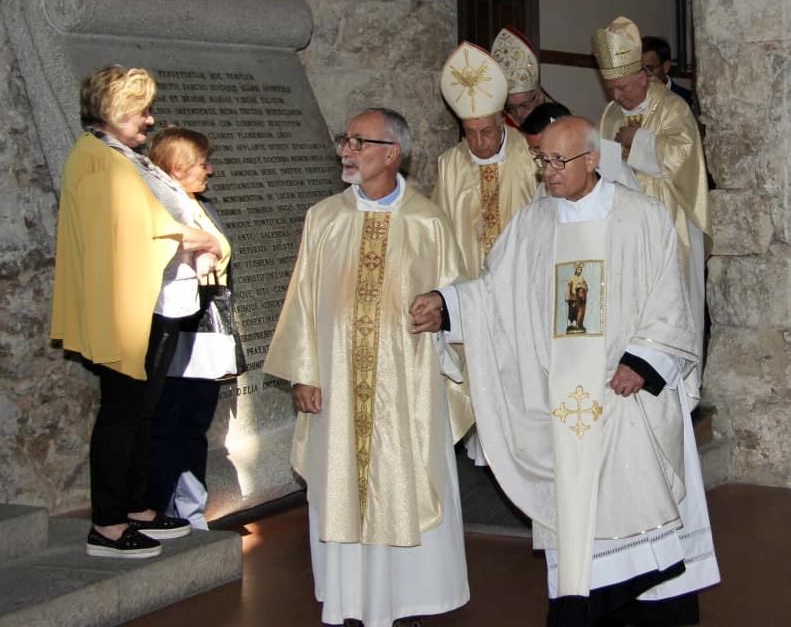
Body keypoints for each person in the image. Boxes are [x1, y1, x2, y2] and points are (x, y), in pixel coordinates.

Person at [410, 116, 719, 627]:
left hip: (626, 395)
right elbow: (494, 292)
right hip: (563, 399)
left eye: (559, 161)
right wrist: (445, 305)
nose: (548, 173)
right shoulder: (533, 224)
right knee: (574, 517)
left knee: (636, 504)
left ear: (593, 160)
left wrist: (643, 360)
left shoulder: (640, 217)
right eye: (542, 162)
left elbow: (670, 300)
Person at [263, 108, 470, 627]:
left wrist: (443, 309)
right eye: (345, 140)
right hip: (335, 386)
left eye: (359, 141)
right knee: (340, 484)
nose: (346, 150)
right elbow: (303, 300)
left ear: (391, 153)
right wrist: (304, 372)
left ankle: (410, 599)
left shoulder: (428, 220)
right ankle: (351, 599)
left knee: (405, 479)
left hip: (408, 390)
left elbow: (460, 297)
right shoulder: (324, 218)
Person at [50, 66, 222, 558]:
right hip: (125, 310)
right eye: (142, 110)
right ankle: (106, 522)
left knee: (141, 413)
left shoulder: (123, 157)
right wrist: (195, 238)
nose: (150, 120)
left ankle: (139, 507)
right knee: (121, 415)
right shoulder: (95, 158)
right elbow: (133, 227)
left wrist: (203, 238)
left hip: (154, 305)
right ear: (114, 109)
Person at [594, 17, 710, 406]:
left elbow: (684, 157)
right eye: (612, 87)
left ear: (644, 76)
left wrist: (639, 142)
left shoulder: (673, 107)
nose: (619, 94)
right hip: (625, 230)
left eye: (624, 86)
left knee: (672, 303)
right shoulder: (610, 114)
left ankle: (682, 390)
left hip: (669, 228)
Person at [146, 126, 232, 529]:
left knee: (194, 422)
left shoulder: (202, 207)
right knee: (167, 421)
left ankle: (192, 507)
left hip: (204, 330)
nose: (209, 170)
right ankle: (160, 507)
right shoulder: (157, 207)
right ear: (178, 168)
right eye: (201, 163)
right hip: (169, 329)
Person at [433, 41, 538, 278]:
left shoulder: (529, 153)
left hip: (522, 279)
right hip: (469, 288)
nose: (479, 142)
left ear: (502, 122)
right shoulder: (449, 164)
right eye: (470, 132)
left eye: (486, 132)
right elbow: (439, 235)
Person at [491, 26, 554, 126]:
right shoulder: (501, 127)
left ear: (539, 97)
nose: (519, 114)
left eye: (525, 105)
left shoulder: (561, 126)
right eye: (512, 108)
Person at [641, 35, 692, 105]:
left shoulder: (688, 100)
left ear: (666, 67)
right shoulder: (627, 99)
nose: (642, 75)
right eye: (637, 70)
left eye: (649, 68)